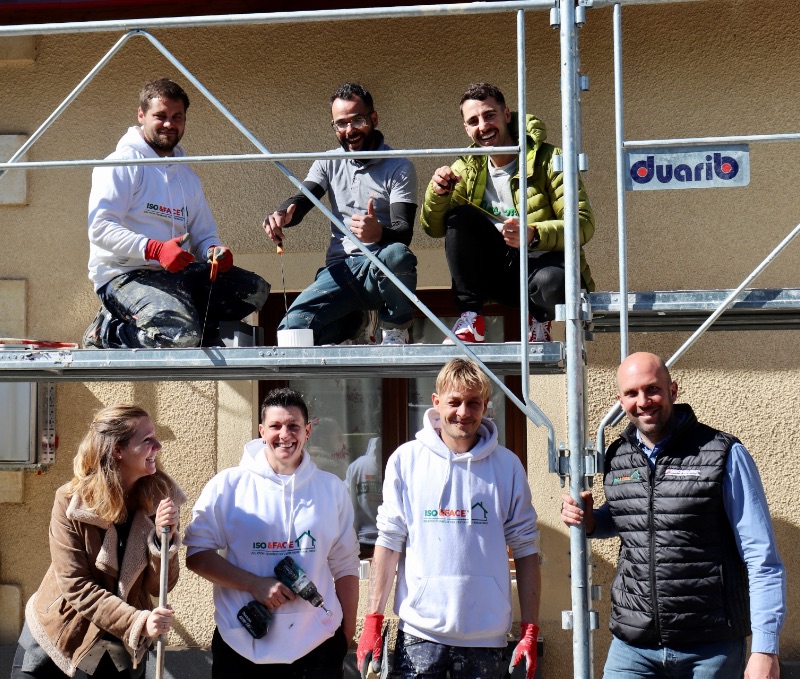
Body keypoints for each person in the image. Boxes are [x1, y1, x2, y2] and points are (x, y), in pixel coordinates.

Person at [561, 352, 786, 679]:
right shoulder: (619, 455)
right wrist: (592, 521)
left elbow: (762, 558)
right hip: (633, 647)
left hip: (709, 649)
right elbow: (633, 517)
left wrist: (765, 648)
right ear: (620, 400)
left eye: (652, 389)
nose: (643, 401)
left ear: (673, 390)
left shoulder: (722, 452)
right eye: (631, 393)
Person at [357, 358, 541, 679]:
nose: (463, 413)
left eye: (473, 403)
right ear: (436, 402)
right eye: (454, 402)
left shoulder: (507, 466)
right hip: (419, 635)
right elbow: (389, 542)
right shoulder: (406, 460)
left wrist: (529, 629)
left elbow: (526, 550)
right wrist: (372, 620)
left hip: (486, 638)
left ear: (486, 405)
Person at [184, 387, 360, 679]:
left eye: (293, 426)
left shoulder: (331, 489)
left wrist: (345, 633)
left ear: (308, 431)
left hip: (317, 648)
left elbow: (345, 564)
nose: (285, 435)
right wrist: (254, 584)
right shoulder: (228, 486)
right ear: (262, 431)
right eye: (276, 426)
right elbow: (197, 555)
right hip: (241, 645)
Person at [83, 78, 270, 349]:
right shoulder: (121, 164)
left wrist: (213, 251)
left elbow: (204, 235)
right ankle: (107, 332)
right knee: (177, 336)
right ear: (141, 115)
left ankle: (186, 331)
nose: (169, 124)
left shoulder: (187, 177)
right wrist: (155, 249)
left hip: (175, 276)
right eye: (160, 116)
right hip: (125, 275)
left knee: (255, 291)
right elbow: (100, 228)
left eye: (177, 117)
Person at [12, 405, 185, 679]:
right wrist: (138, 621)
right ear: (118, 450)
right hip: (60, 642)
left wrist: (166, 539)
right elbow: (76, 585)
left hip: (117, 651)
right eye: (147, 440)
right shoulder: (70, 502)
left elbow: (159, 585)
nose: (159, 445)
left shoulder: (160, 498)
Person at [421, 82, 595, 344]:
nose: (483, 126)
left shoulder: (549, 159)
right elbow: (434, 229)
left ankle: (539, 321)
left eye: (489, 115)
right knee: (459, 218)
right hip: (499, 274)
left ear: (507, 115)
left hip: (542, 267)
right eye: (474, 121)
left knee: (554, 281)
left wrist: (534, 234)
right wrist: (438, 193)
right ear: (466, 129)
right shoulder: (466, 168)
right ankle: (471, 319)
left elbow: (583, 224)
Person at [263, 82, 418, 346]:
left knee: (398, 255)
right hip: (341, 270)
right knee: (292, 331)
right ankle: (351, 323)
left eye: (357, 120)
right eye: (340, 124)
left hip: (377, 266)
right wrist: (283, 214)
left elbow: (404, 232)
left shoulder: (399, 165)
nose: (349, 131)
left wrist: (378, 233)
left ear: (374, 118)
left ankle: (395, 327)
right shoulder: (328, 161)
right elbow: (303, 200)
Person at [344, 435, 382, 558]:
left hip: (362, 539)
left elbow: (350, 506)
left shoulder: (356, 466)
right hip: (388, 541)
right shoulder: (395, 462)